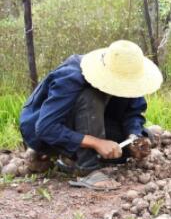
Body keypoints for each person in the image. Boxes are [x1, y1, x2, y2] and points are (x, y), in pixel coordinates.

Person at [19, 40, 162, 190]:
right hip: (43, 130)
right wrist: (97, 143)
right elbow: (46, 128)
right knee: (91, 96)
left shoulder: (129, 79)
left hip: (92, 123)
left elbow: (133, 111)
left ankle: (68, 157)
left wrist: (133, 136)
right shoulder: (71, 76)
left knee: (143, 138)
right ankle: (87, 169)